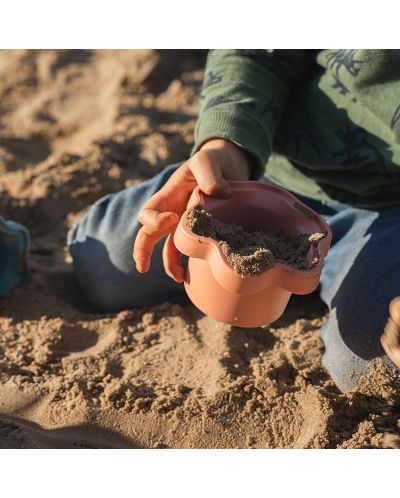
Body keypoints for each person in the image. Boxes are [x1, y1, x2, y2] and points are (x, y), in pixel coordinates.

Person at [68, 49, 400, 392]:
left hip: (389, 209)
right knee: (102, 263)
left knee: (372, 373)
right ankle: (312, 282)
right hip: (267, 169)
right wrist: (227, 147)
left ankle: (321, 283)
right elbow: (254, 48)